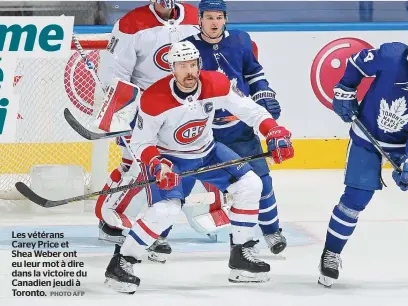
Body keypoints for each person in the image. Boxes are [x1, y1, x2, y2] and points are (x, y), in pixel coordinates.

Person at [103, 41, 294, 293]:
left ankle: (241, 256)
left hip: (208, 152)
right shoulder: (153, 99)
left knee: (251, 184)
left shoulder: (217, 83)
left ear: (199, 64)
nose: (188, 71)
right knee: (166, 212)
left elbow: (250, 111)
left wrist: (274, 131)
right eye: (182, 66)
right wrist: (158, 164)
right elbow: (141, 142)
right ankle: (121, 263)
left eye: (192, 64)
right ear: (172, 69)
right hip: (169, 160)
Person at [318, 22, 408, 288]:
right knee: (354, 199)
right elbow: (355, 63)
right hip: (367, 138)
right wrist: (344, 91)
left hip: (405, 144)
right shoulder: (390, 56)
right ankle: (330, 254)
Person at [94, 0, 204, 264]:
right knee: (136, 168)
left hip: (180, 113)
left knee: (166, 169)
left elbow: (205, 60)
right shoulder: (132, 23)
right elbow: (113, 72)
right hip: (144, 112)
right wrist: (129, 107)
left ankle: (148, 230)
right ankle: (117, 223)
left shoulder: (193, 15)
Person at [182, 0, 287, 255]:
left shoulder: (240, 40)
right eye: (209, 17)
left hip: (238, 130)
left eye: (219, 17)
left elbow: (254, 74)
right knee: (178, 188)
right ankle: (158, 236)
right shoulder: (188, 48)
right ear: (200, 19)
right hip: (203, 134)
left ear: (225, 19)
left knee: (261, 181)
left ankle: (271, 231)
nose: (214, 22)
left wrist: (264, 94)